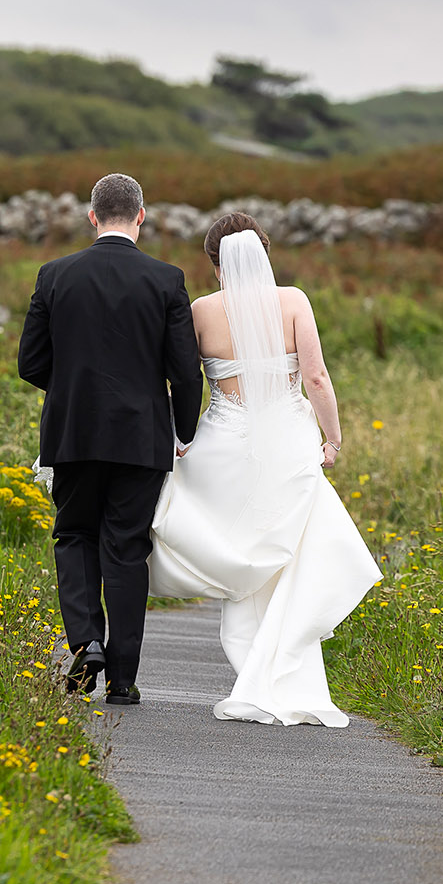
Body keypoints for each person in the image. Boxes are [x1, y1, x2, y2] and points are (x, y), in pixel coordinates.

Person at [146, 212, 382, 726]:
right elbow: (316, 378)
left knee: (245, 555)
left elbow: (183, 378)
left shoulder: (202, 310)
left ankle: (253, 671)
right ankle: (285, 671)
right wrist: (333, 438)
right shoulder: (293, 301)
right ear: (265, 253)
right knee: (292, 557)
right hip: (290, 440)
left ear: (215, 263)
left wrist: (180, 437)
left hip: (225, 443)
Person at [18, 173, 203, 706]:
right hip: (141, 437)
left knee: (75, 535)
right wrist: (183, 431)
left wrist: (73, 391)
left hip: (72, 431)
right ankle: (122, 681)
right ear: (141, 216)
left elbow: (30, 362)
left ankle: (86, 645)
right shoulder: (166, 280)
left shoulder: (54, 275)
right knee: (126, 549)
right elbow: (185, 372)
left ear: (92, 216)